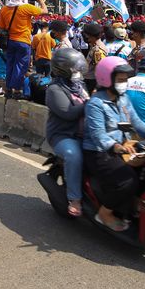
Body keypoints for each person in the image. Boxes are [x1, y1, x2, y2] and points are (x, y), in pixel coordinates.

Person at [83, 56, 145, 231]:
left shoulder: (123, 98)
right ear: (107, 79)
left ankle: (132, 209)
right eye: (120, 80)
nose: (124, 83)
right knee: (127, 180)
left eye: (125, 80)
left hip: (122, 148)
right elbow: (98, 135)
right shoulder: (96, 103)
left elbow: (137, 123)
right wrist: (116, 146)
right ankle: (105, 213)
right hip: (98, 152)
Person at [45, 48, 89, 217]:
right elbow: (68, 113)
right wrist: (89, 104)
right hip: (63, 135)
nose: (77, 72)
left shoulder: (79, 85)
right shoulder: (55, 89)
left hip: (85, 133)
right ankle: (74, 198)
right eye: (74, 69)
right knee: (73, 155)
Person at [0, 0, 47, 99]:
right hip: (23, 42)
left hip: (9, 42)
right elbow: (44, 11)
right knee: (21, 67)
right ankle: (17, 91)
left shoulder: (4, 9)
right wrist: (41, 0)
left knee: (10, 65)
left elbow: (2, 27)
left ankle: (8, 90)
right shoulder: (26, 7)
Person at [82, 23, 107, 93]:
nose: (86, 36)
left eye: (87, 34)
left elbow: (99, 69)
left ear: (90, 35)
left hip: (92, 82)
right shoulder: (94, 46)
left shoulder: (97, 50)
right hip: (89, 80)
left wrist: (97, 87)